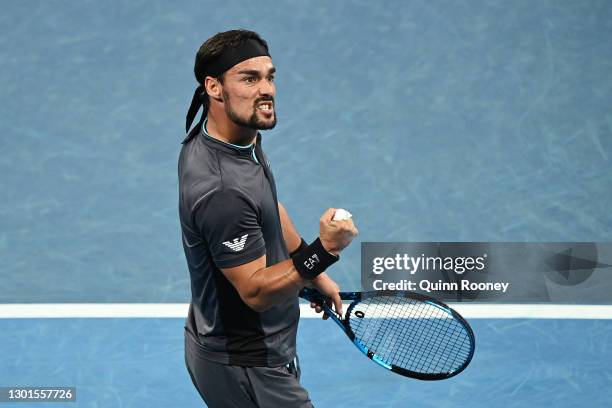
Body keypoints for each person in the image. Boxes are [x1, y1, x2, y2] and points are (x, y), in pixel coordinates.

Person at [178, 29, 358, 408]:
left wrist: (312, 268)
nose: (267, 90)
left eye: (269, 76)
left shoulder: (236, 135)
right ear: (214, 87)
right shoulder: (222, 190)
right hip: (247, 364)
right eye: (249, 78)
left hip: (255, 352)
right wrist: (324, 250)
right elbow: (256, 292)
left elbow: (267, 207)